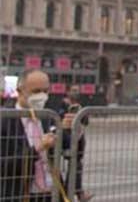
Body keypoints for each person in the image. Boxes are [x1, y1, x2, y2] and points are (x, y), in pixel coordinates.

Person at [1, 69, 57, 201]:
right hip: (20, 194)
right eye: (36, 91)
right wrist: (37, 149)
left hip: (50, 193)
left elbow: (69, 147)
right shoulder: (4, 120)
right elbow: (3, 165)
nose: (42, 96)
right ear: (20, 91)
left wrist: (74, 130)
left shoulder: (48, 116)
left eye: (46, 91)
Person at [57, 86, 91, 201]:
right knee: (75, 165)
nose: (76, 92)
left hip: (78, 139)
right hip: (66, 139)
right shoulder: (62, 105)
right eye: (73, 90)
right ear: (67, 92)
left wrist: (82, 114)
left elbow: (86, 122)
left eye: (77, 90)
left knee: (76, 165)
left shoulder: (80, 106)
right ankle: (75, 192)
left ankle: (74, 191)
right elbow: (58, 119)